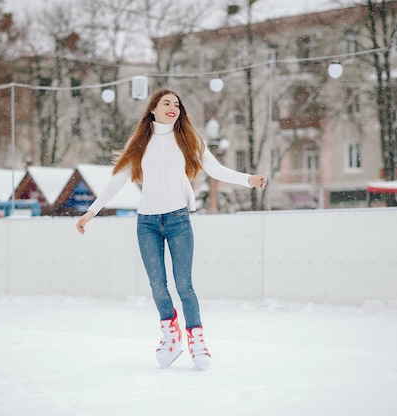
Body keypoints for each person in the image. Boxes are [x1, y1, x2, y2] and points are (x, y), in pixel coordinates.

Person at [75, 88, 266, 370]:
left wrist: (248, 179)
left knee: (184, 286)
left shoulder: (188, 139)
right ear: (152, 109)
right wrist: (91, 211)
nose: (173, 107)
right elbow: (118, 179)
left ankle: (196, 339)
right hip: (147, 223)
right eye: (166, 103)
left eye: (176, 104)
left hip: (178, 219)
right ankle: (170, 333)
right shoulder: (141, 141)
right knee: (157, 284)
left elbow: (215, 169)